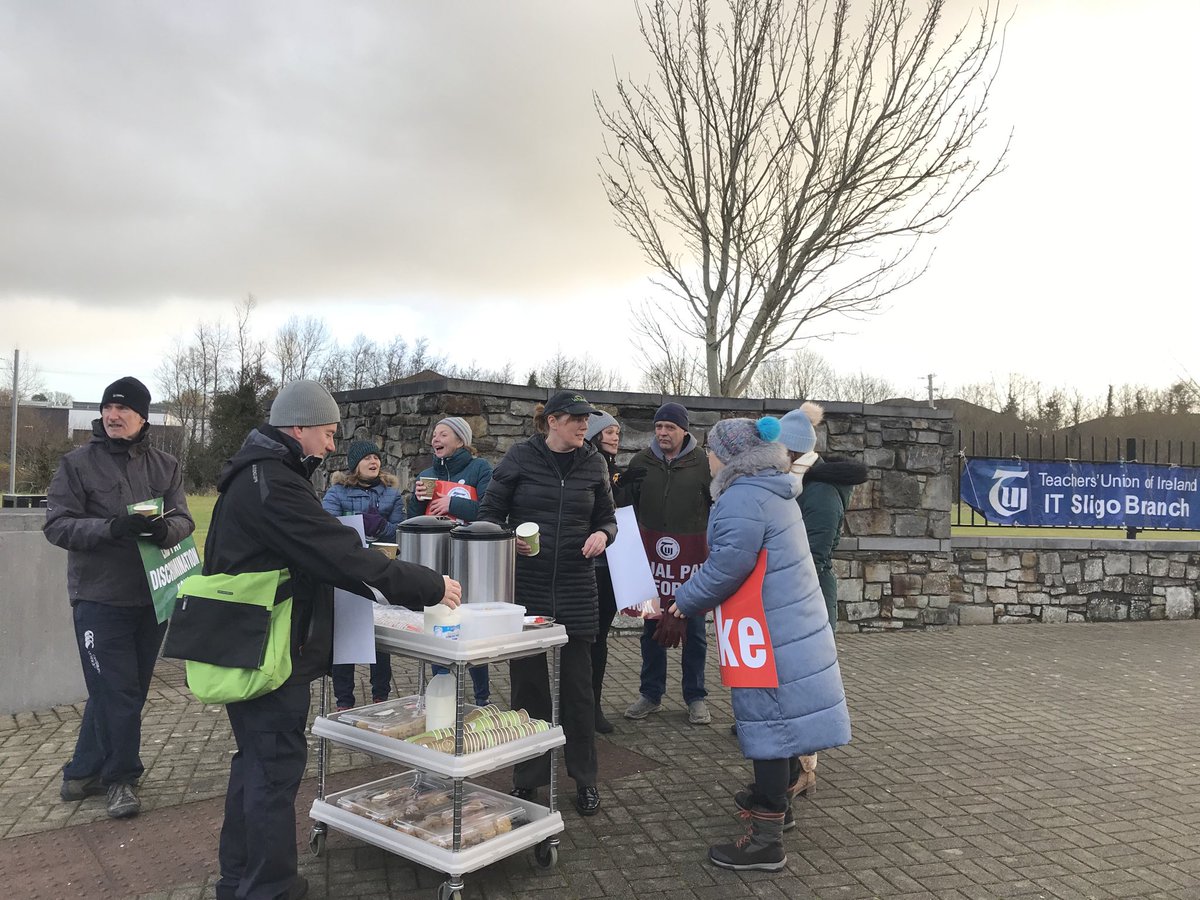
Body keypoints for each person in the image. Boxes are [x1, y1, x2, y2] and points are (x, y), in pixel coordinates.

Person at [205, 379, 461, 900]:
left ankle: (237, 880)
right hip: (270, 650)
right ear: (297, 427)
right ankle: (270, 889)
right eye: (326, 432)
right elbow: (339, 554)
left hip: (245, 642)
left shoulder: (255, 474)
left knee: (254, 765)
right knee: (272, 771)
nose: (331, 444)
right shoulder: (273, 482)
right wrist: (428, 586)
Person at [669, 416, 851, 872]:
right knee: (782, 721)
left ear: (731, 456)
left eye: (712, 449)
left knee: (769, 727)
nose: (707, 457)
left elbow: (727, 567)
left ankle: (766, 842)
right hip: (787, 625)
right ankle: (779, 804)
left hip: (769, 632)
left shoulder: (742, 497)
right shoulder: (773, 489)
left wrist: (680, 604)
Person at [43, 376, 194, 820]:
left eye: (123, 409)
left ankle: (81, 772)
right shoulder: (76, 464)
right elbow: (56, 525)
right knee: (117, 692)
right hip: (99, 599)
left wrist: (166, 530)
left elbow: (184, 518)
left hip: (152, 598)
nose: (113, 415)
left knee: (124, 691)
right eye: (108, 407)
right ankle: (121, 780)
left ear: (143, 417)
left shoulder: (165, 465)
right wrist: (110, 529)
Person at [478, 390, 617, 816]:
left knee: (579, 693)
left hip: (578, 590)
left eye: (587, 419)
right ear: (552, 421)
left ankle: (585, 779)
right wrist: (509, 538)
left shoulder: (594, 462)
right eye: (576, 418)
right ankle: (528, 777)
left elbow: (607, 518)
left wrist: (604, 535)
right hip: (528, 592)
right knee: (529, 691)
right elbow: (488, 515)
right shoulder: (520, 457)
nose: (584, 425)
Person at [731, 404, 869, 794]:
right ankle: (789, 770)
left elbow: (815, 552)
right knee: (786, 686)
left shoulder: (819, 489)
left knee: (802, 690)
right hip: (791, 594)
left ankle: (802, 772)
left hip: (808, 597)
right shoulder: (798, 481)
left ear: (789, 450)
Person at [621, 402, 713, 725]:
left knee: (695, 631)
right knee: (651, 629)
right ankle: (651, 694)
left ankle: (696, 697)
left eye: (670, 427)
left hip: (692, 562)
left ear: (684, 430)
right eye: (659, 427)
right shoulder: (641, 462)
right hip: (652, 561)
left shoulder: (704, 464)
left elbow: (717, 505)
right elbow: (625, 508)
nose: (662, 433)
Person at [406, 416, 494, 706]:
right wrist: (418, 500)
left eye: (443, 434)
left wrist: (453, 504)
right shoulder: (428, 473)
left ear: (460, 440)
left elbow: (489, 511)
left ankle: (481, 699)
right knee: (439, 626)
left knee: (471, 628)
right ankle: (443, 696)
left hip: (469, 560)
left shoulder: (480, 468)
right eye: (434, 434)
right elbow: (412, 521)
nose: (436, 439)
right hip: (436, 561)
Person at [321, 439, 406, 710]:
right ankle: (344, 700)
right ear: (355, 464)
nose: (374, 461)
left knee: (379, 637)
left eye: (376, 457)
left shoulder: (392, 494)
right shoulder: (336, 493)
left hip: (381, 572)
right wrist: (356, 528)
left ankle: (381, 695)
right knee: (345, 635)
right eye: (367, 458)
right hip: (346, 573)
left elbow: (401, 531)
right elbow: (328, 527)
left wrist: (380, 527)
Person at [584, 410, 643, 734]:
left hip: (611, 565)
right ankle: (579, 706)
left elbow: (623, 512)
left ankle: (593, 706)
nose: (616, 437)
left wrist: (629, 487)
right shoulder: (587, 469)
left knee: (601, 637)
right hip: (587, 563)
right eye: (609, 432)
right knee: (585, 639)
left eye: (618, 432)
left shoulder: (618, 472)